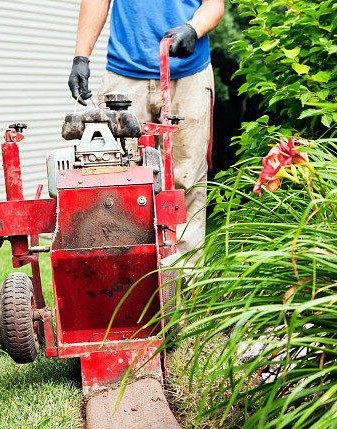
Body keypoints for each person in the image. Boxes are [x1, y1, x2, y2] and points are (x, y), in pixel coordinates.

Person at [68, 0, 224, 272]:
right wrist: (81, 57)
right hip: (124, 74)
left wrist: (193, 28)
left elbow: (214, 5)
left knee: (184, 179)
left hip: (188, 74)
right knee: (113, 178)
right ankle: (122, 278)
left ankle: (183, 283)